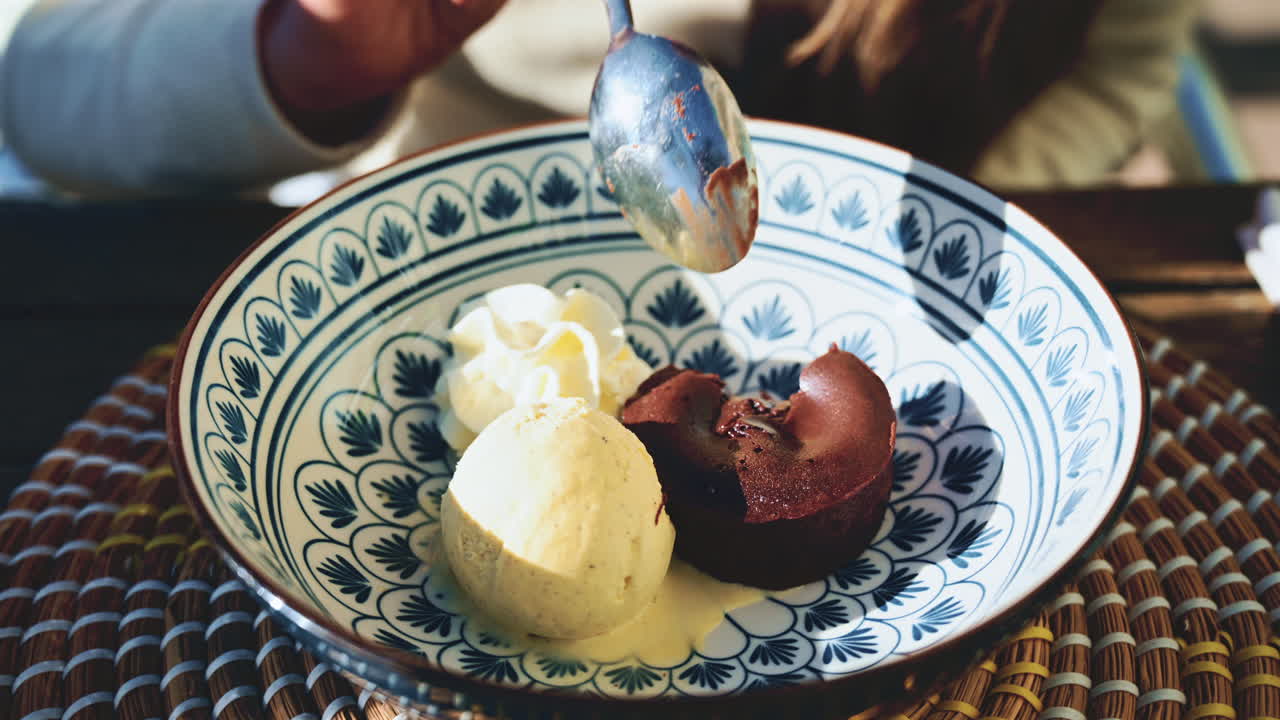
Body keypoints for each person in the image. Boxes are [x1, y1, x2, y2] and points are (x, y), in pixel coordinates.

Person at [0, 0, 1199, 199]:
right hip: (467, 248)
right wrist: (301, 54)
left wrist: (915, 216)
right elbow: (37, 86)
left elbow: (1122, 62)